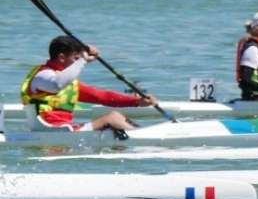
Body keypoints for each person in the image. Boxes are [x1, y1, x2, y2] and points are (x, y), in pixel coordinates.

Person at [20, 36, 158, 133]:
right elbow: (57, 84)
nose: (79, 62)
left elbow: (102, 97)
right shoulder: (42, 75)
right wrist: (83, 60)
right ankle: (148, 139)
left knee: (117, 119)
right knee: (112, 118)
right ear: (61, 57)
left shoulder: (69, 82)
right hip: (49, 131)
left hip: (63, 131)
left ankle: (130, 146)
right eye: (76, 58)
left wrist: (136, 101)